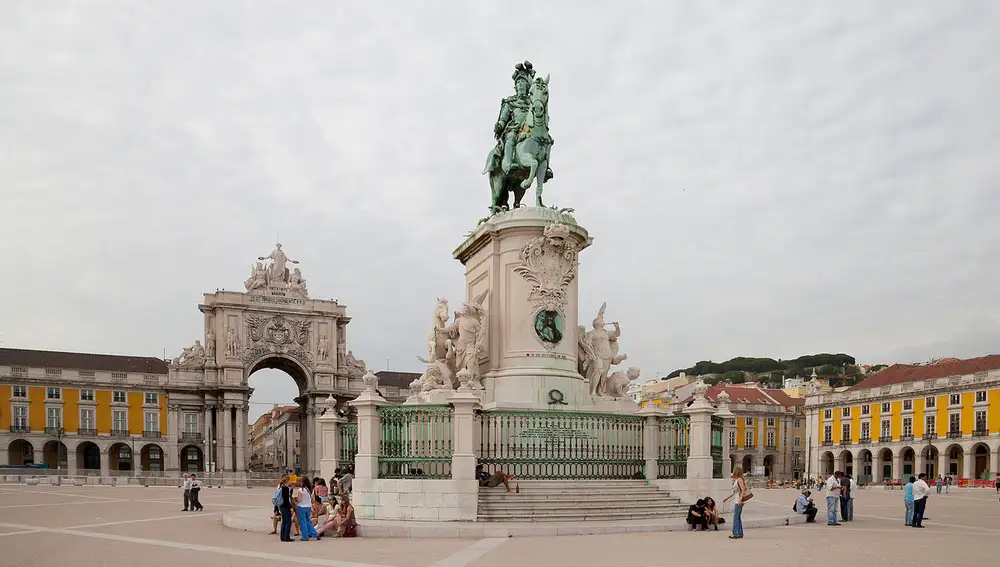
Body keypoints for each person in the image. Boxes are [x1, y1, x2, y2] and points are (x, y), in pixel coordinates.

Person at [722, 466, 749, 539]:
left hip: (738, 501)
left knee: (735, 517)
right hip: (738, 500)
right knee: (738, 517)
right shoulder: (737, 480)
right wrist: (727, 498)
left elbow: (743, 490)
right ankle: (739, 533)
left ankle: (736, 533)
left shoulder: (739, 480)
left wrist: (740, 499)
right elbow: (734, 492)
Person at [277, 475, 294, 542]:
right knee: (288, 522)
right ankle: (286, 537)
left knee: (284, 522)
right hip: (285, 507)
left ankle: (282, 536)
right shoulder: (285, 488)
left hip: (281, 506)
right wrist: (291, 508)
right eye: (289, 480)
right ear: (287, 481)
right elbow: (286, 500)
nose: (290, 481)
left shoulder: (281, 487)